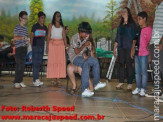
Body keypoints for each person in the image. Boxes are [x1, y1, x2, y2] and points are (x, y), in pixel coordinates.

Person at [68, 22, 106, 97]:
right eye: (85, 33)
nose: (86, 35)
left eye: (87, 33)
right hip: (74, 57)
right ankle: (84, 90)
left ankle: (96, 83)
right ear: (81, 31)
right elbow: (76, 51)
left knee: (95, 61)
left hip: (81, 56)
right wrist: (84, 45)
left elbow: (83, 51)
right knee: (85, 63)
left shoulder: (86, 38)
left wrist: (86, 52)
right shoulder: (74, 38)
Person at [113, 7, 137, 90]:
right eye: (122, 11)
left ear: (128, 13)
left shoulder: (132, 25)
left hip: (129, 47)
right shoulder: (120, 26)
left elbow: (135, 38)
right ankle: (121, 82)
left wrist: (133, 48)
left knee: (129, 64)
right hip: (121, 48)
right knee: (121, 64)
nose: (123, 12)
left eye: (125, 11)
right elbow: (117, 38)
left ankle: (130, 83)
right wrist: (114, 48)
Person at [131, 11, 152, 96]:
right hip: (137, 53)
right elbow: (134, 40)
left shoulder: (149, 30)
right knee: (137, 72)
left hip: (144, 54)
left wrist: (150, 55)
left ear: (144, 19)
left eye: (140, 19)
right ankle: (138, 87)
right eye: (137, 19)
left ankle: (143, 88)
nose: (138, 21)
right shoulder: (137, 29)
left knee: (144, 72)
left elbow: (151, 43)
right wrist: (132, 50)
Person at [145, 0, 163, 101]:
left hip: (159, 43)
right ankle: (157, 90)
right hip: (154, 42)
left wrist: (161, 43)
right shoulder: (158, 7)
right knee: (155, 66)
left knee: (160, 67)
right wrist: (151, 41)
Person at [46, 11, 67, 87]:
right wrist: (47, 46)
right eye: (57, 16)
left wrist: (66, 46)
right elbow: (48, 36)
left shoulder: (62, 26)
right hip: (52, 44)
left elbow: (64, 37)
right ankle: (52, 79)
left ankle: (58, 79)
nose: (58, 17)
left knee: (59, 61)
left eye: (59, 16)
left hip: (61, 45)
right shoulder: (50, 25)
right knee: (52, 61)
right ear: (54, 17)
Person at [30, 11, 48, 86]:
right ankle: (35, 80)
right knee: (35, 64)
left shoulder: (45, 27)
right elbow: (31, 36)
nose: (43, 19)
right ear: (38, 18)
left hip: (42, 47)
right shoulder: (35, 26)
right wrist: (31, 46)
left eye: (44, 18)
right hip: (35, 46)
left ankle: (36, 79)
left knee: (38, 63)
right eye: (41, 18)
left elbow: (46, 37)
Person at [13, 11, 29, 88]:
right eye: (24, 18)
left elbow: (26, 39)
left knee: (22, 66)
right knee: (18, 65)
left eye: (26, 18)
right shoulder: (17, 27)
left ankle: (20, 81)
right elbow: (15, 38)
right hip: (18, 48)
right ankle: (16, 82)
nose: (26, 20)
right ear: (20, 18)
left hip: (24, 48)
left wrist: (27, 41)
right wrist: (22, 37)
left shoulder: (26, 28)